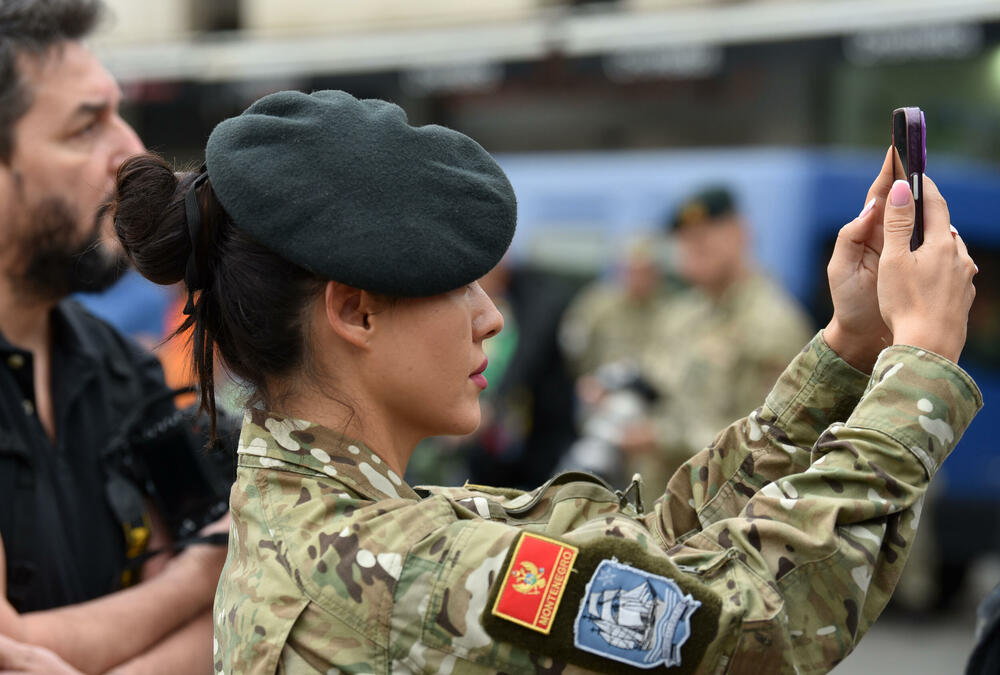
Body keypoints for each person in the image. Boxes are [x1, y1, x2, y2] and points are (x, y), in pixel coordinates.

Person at [112, 89, 979, 674]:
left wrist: (845, 349)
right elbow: (751, 626)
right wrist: (925, 360)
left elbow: (652, 541)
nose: (490, 316)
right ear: (356, 311)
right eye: (457, 286)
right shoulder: (414, 566)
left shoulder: (330, 516)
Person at [0, 1, 226, 672]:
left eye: (119, 114)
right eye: (85, 127)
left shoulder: (122, 368)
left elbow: (238, 610)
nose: (132, 152)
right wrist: (196, 574)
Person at [628, 187, 815, 504]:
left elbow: (769, 442)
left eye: (704, 236)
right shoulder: (682, 315)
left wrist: (663, 438)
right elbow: (656, 387)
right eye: (685, 239)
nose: (692, 248)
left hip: (729, 518)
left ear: (741, 233)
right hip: (668, 508)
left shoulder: (771, 323)